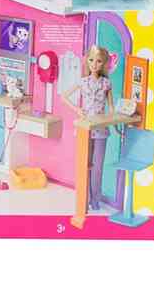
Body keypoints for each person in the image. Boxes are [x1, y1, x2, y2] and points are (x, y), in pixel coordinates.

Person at [62, 45, 114, 210]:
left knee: (98, 167)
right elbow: (64, 96)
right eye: (91, 60)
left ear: (103, 63)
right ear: (87, 61)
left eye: (98, 61)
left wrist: (114, 120)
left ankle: (95, 200)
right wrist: (77, 109)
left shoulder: (106, 83)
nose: (94, 64)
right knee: (85, 165)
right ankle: (84, 199)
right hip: (85, 128)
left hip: (101, 129)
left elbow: (111, 108)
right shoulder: (83, 82)